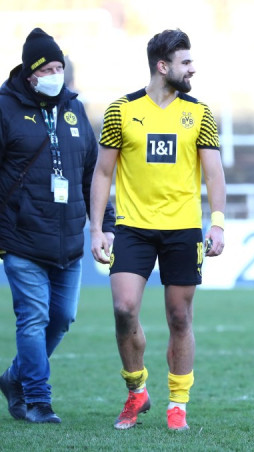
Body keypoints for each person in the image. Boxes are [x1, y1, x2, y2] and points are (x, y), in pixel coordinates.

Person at [89, 28, 226, 432]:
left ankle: (178, 404)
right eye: (186, 62)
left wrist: (217, 223)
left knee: (180, 317)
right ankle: (136, 391)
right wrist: (96, 229)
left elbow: (214, 174)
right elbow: (102, 172)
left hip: (183, 229)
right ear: (162, 66)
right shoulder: (121, 110)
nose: (193, 69)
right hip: (132, 228)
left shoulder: (199, 113)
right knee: (123, 308)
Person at [0, 28, 116, 424]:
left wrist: (106, 222)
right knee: (33, 318)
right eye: (47, 68)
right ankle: (37, 400)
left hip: (67, 240)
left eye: (59, 67)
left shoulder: (74, 109)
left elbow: (93, 173)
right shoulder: (4, 108)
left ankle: (14, 377)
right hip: (21, 237)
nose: (55, 75)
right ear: (29, 73)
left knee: (62, 317)